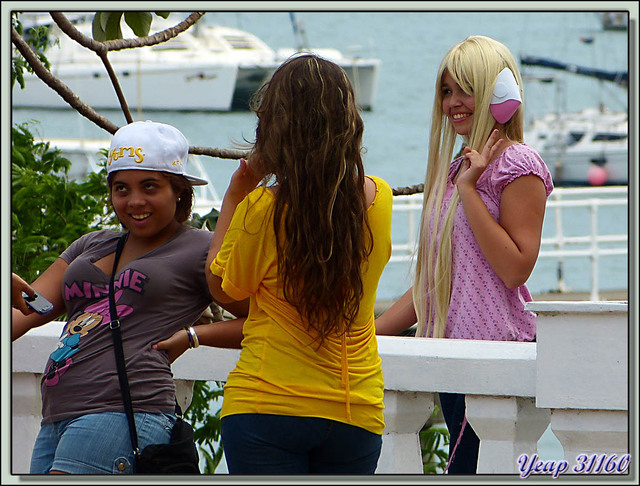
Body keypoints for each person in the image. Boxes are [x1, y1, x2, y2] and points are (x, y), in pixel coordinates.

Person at [11, 120, 247, 474]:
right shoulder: (92, 245)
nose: (134, 201)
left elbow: (271, 320)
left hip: (124, 411)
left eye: (149, 186)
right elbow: (22, 315)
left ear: (179, 190)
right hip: (57, 416)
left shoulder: (199, 248)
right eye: (121, 188)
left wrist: (195, 336)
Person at [200, 53, 393, 474]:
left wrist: (236, 193)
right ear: (347, 123)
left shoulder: (262, 209)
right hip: (355, 409)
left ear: (275, 129)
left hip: (265, 405)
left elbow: (222, 288)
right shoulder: (380, 199)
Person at [375, 35, 554, 474]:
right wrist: (366, 333)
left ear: (501, 94)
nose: (453, 103)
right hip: (453, 355)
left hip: (495, 355)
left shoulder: (518, 165)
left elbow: (514, 269)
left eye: (466, 90)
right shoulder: (459, 167)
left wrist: (470, 190)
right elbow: (434, 283)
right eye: (446, 91)